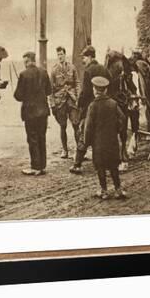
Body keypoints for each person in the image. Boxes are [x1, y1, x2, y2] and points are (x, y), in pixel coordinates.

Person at [84, 76, 127, 200]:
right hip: (112, 141)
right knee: (113, 166)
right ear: (105, 90)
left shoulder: (93, 106)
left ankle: (104, 191)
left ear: (95, 90)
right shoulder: (113, 103)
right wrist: (117, 130)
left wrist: (87, 142)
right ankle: (118, 189)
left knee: (100, 167)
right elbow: (122, 118)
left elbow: (88, 127)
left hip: (98, 143)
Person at [70, 45, 109, 174]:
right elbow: (111, 85)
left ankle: (77, 165)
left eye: (85, 57)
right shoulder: (104, 69)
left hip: (90, 108)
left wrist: (79, 104)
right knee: (102, 135)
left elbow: (86, 92)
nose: (83, 60)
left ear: (90, 57)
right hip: (104, 106)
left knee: (84, 134)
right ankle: (105, 164)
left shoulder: (88, 71)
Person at [14, 51, 52, 176]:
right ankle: (42, 166)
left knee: (32, 139)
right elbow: (49, 91)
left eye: (24, 61)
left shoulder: (23, 74)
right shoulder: (44, 72)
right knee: (42, 137)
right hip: (43, 112)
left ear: (26, 61)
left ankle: (35, 166)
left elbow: (18, 96)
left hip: (30, 113)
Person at [49, 46, 80, 159]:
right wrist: (52, 104)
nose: (60, 56)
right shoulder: (54, 70)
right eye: (58, 55)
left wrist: (77, 96)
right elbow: (50, 90)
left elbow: (77, 83)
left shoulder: (72, 67)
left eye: (61, 54)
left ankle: (79, 150)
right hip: (60, 100)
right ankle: (65, 150)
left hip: (71, 99)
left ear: (65, 55)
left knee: (76, 124)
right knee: (63, 126)